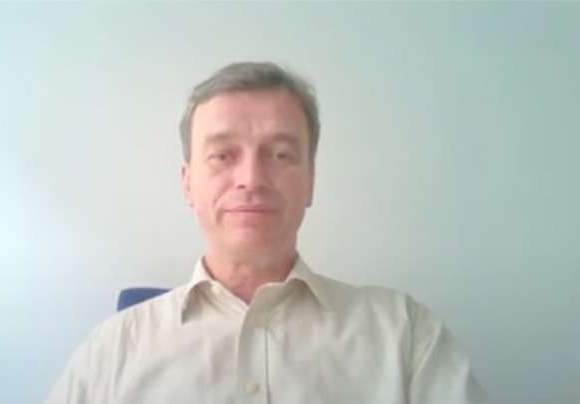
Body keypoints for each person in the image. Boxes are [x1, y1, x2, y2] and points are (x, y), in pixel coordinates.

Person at [46, 62, 487, 404]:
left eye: (280, 155)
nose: (251, 179)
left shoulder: (405, 335)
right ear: (188, 183)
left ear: (310, 181)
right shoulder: (112, 349)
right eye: (223, 155)